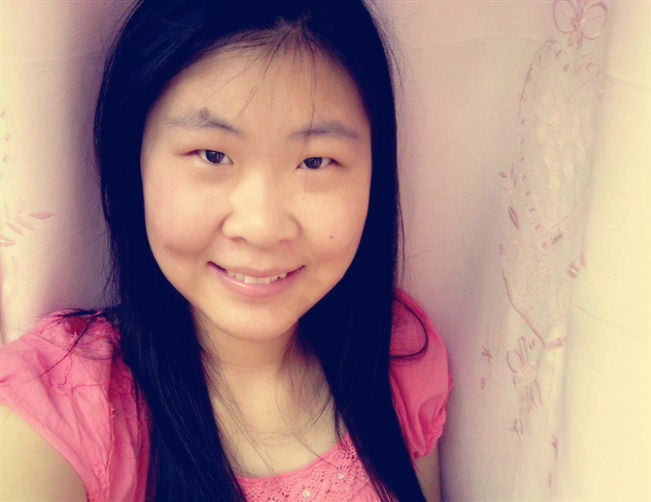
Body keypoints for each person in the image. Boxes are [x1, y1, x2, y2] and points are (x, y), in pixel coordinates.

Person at [0, 0, 450, 500]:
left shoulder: (398, 355)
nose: (261, 227)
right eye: (212, 155)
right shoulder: (65, 406)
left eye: (315, 161)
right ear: (134, 160)